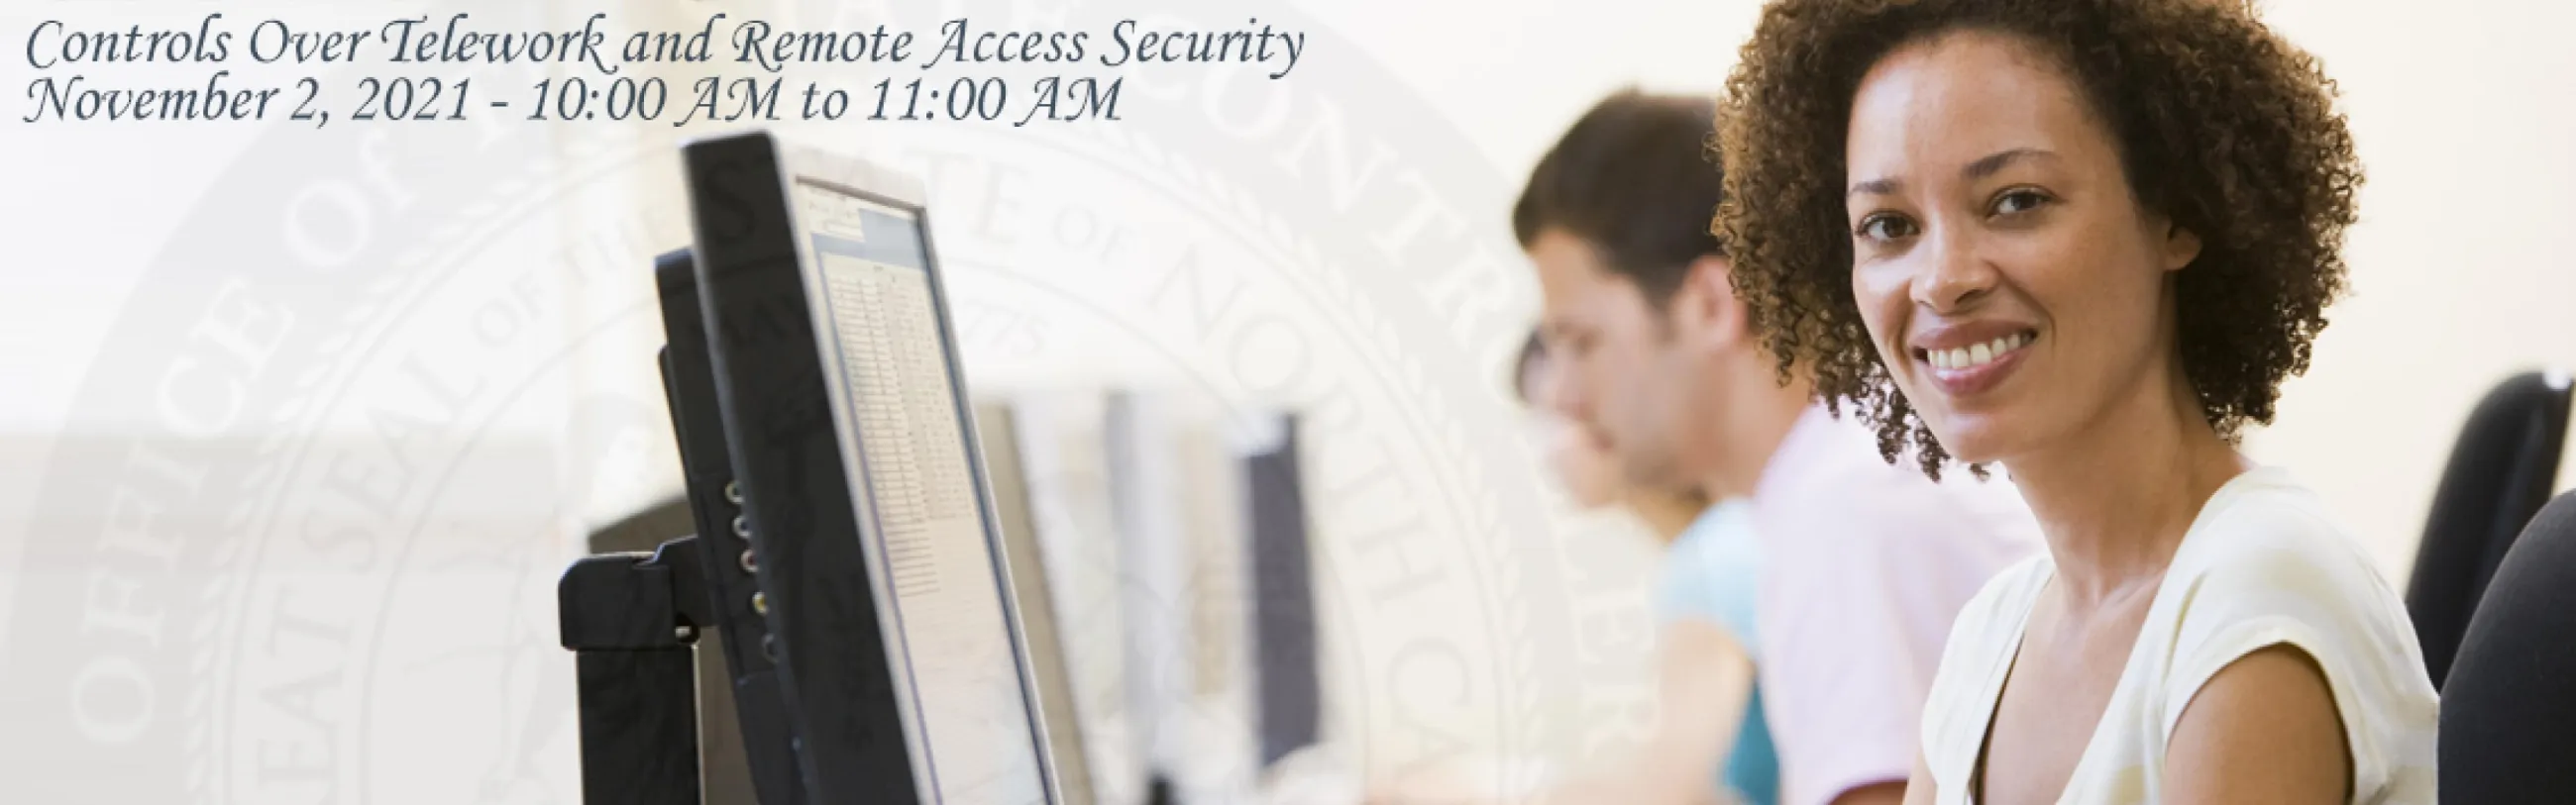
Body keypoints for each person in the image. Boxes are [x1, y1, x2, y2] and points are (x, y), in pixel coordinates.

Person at [1709, 1, 2439, 802]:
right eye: (1888, 225)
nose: (1943, 278)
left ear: (2177, 215)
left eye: (2016, 201)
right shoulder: (1991, 639)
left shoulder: (2257, 600)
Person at [1520, 90, 2040, 805]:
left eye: (1583, 342)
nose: (1566, 396)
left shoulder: (1846, 508)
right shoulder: (1837, 479)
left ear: (1707, 303)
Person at [1514, 329, 1780, 805]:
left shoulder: (1713, 560)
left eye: (1557, 417)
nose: (1549, 450)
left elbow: (1671, 794)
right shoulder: (1728, 538)